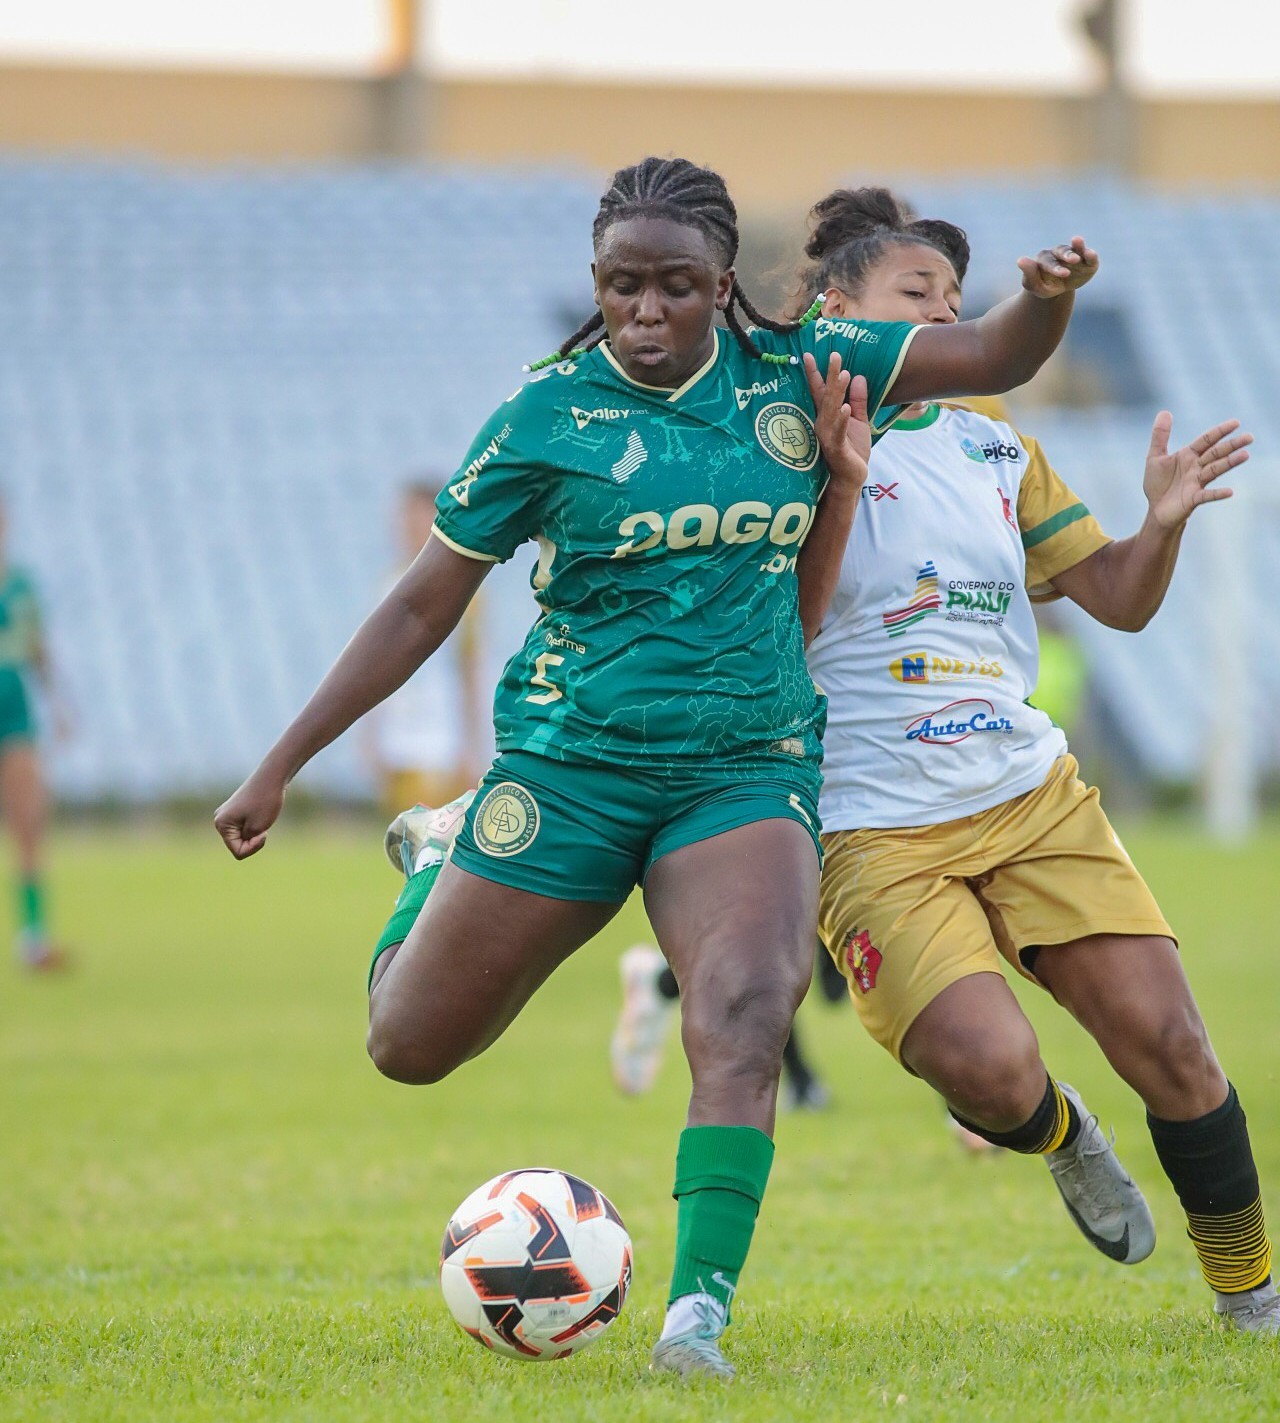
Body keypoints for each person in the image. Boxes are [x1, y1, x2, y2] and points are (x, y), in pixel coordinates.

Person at [214, 156, 1098, 1378]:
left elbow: (994, 355)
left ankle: (697, 1319)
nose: (643, 311)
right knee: (408, 1043)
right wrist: (279, 763)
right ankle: (434, 853)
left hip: (742, 766)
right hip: (572, 767)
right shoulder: (544, 418)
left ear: (721, 286)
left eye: (672, 287)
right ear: (596, 285)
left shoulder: (803, 371)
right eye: (619, 286)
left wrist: (1046, 297)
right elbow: (421, 606)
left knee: (743, 1011)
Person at [800, 186, 1276, 1335]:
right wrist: (837, 476)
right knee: (990, 1073)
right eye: (917, 295)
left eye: (956, 302)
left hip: (1025, 796)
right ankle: (1063, 1137)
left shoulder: (993, 445)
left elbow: (1111, 597)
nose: (946, 320)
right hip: (867, 819)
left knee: (1169, 1044)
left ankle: (1248, 1295)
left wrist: (1155, 526)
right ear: (837, 311)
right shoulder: (773, 448)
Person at [362, 480, 486, 817]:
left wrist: (471, 744)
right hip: (396, 737)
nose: (408, 528)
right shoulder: (386, 587)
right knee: (400, 841)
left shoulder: (465, 590)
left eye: (418, 518)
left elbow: (469, 668)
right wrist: (369, 733)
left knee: (434, 840)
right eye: (405, 519)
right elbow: (369, 668)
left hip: (440, 737)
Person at [0, 496, 69, 971]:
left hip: (15, 710)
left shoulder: (21, 584)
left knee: (29, 824)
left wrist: (59, 703)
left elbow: (37, 647)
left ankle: (34, 938)